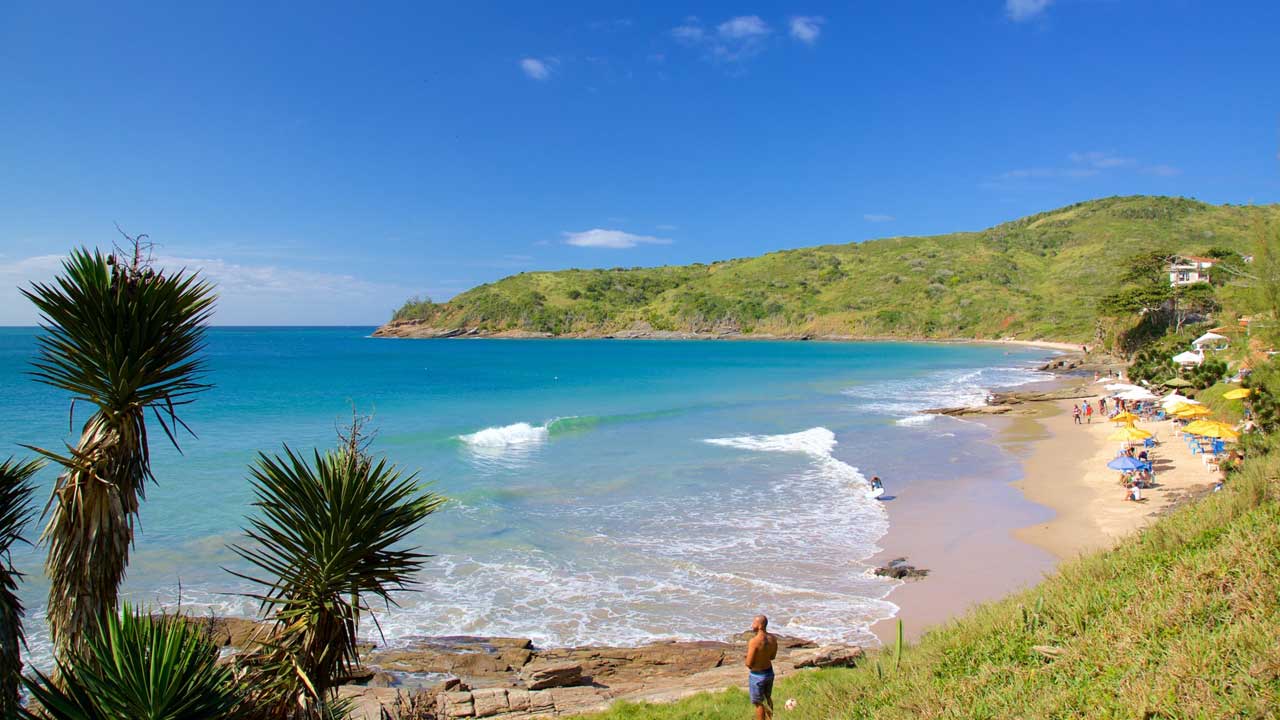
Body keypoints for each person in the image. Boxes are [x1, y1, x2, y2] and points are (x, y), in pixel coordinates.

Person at [746, 615, 777, 720]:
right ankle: (770, 718)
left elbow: (749, 663)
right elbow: (772, 656)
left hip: (757, 675)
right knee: (768, 698)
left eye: (754, 623)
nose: (752, 625)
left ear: (759, 625)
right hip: (769, 672)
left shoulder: (754, 641)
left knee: (758, 703)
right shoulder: (773, 638)